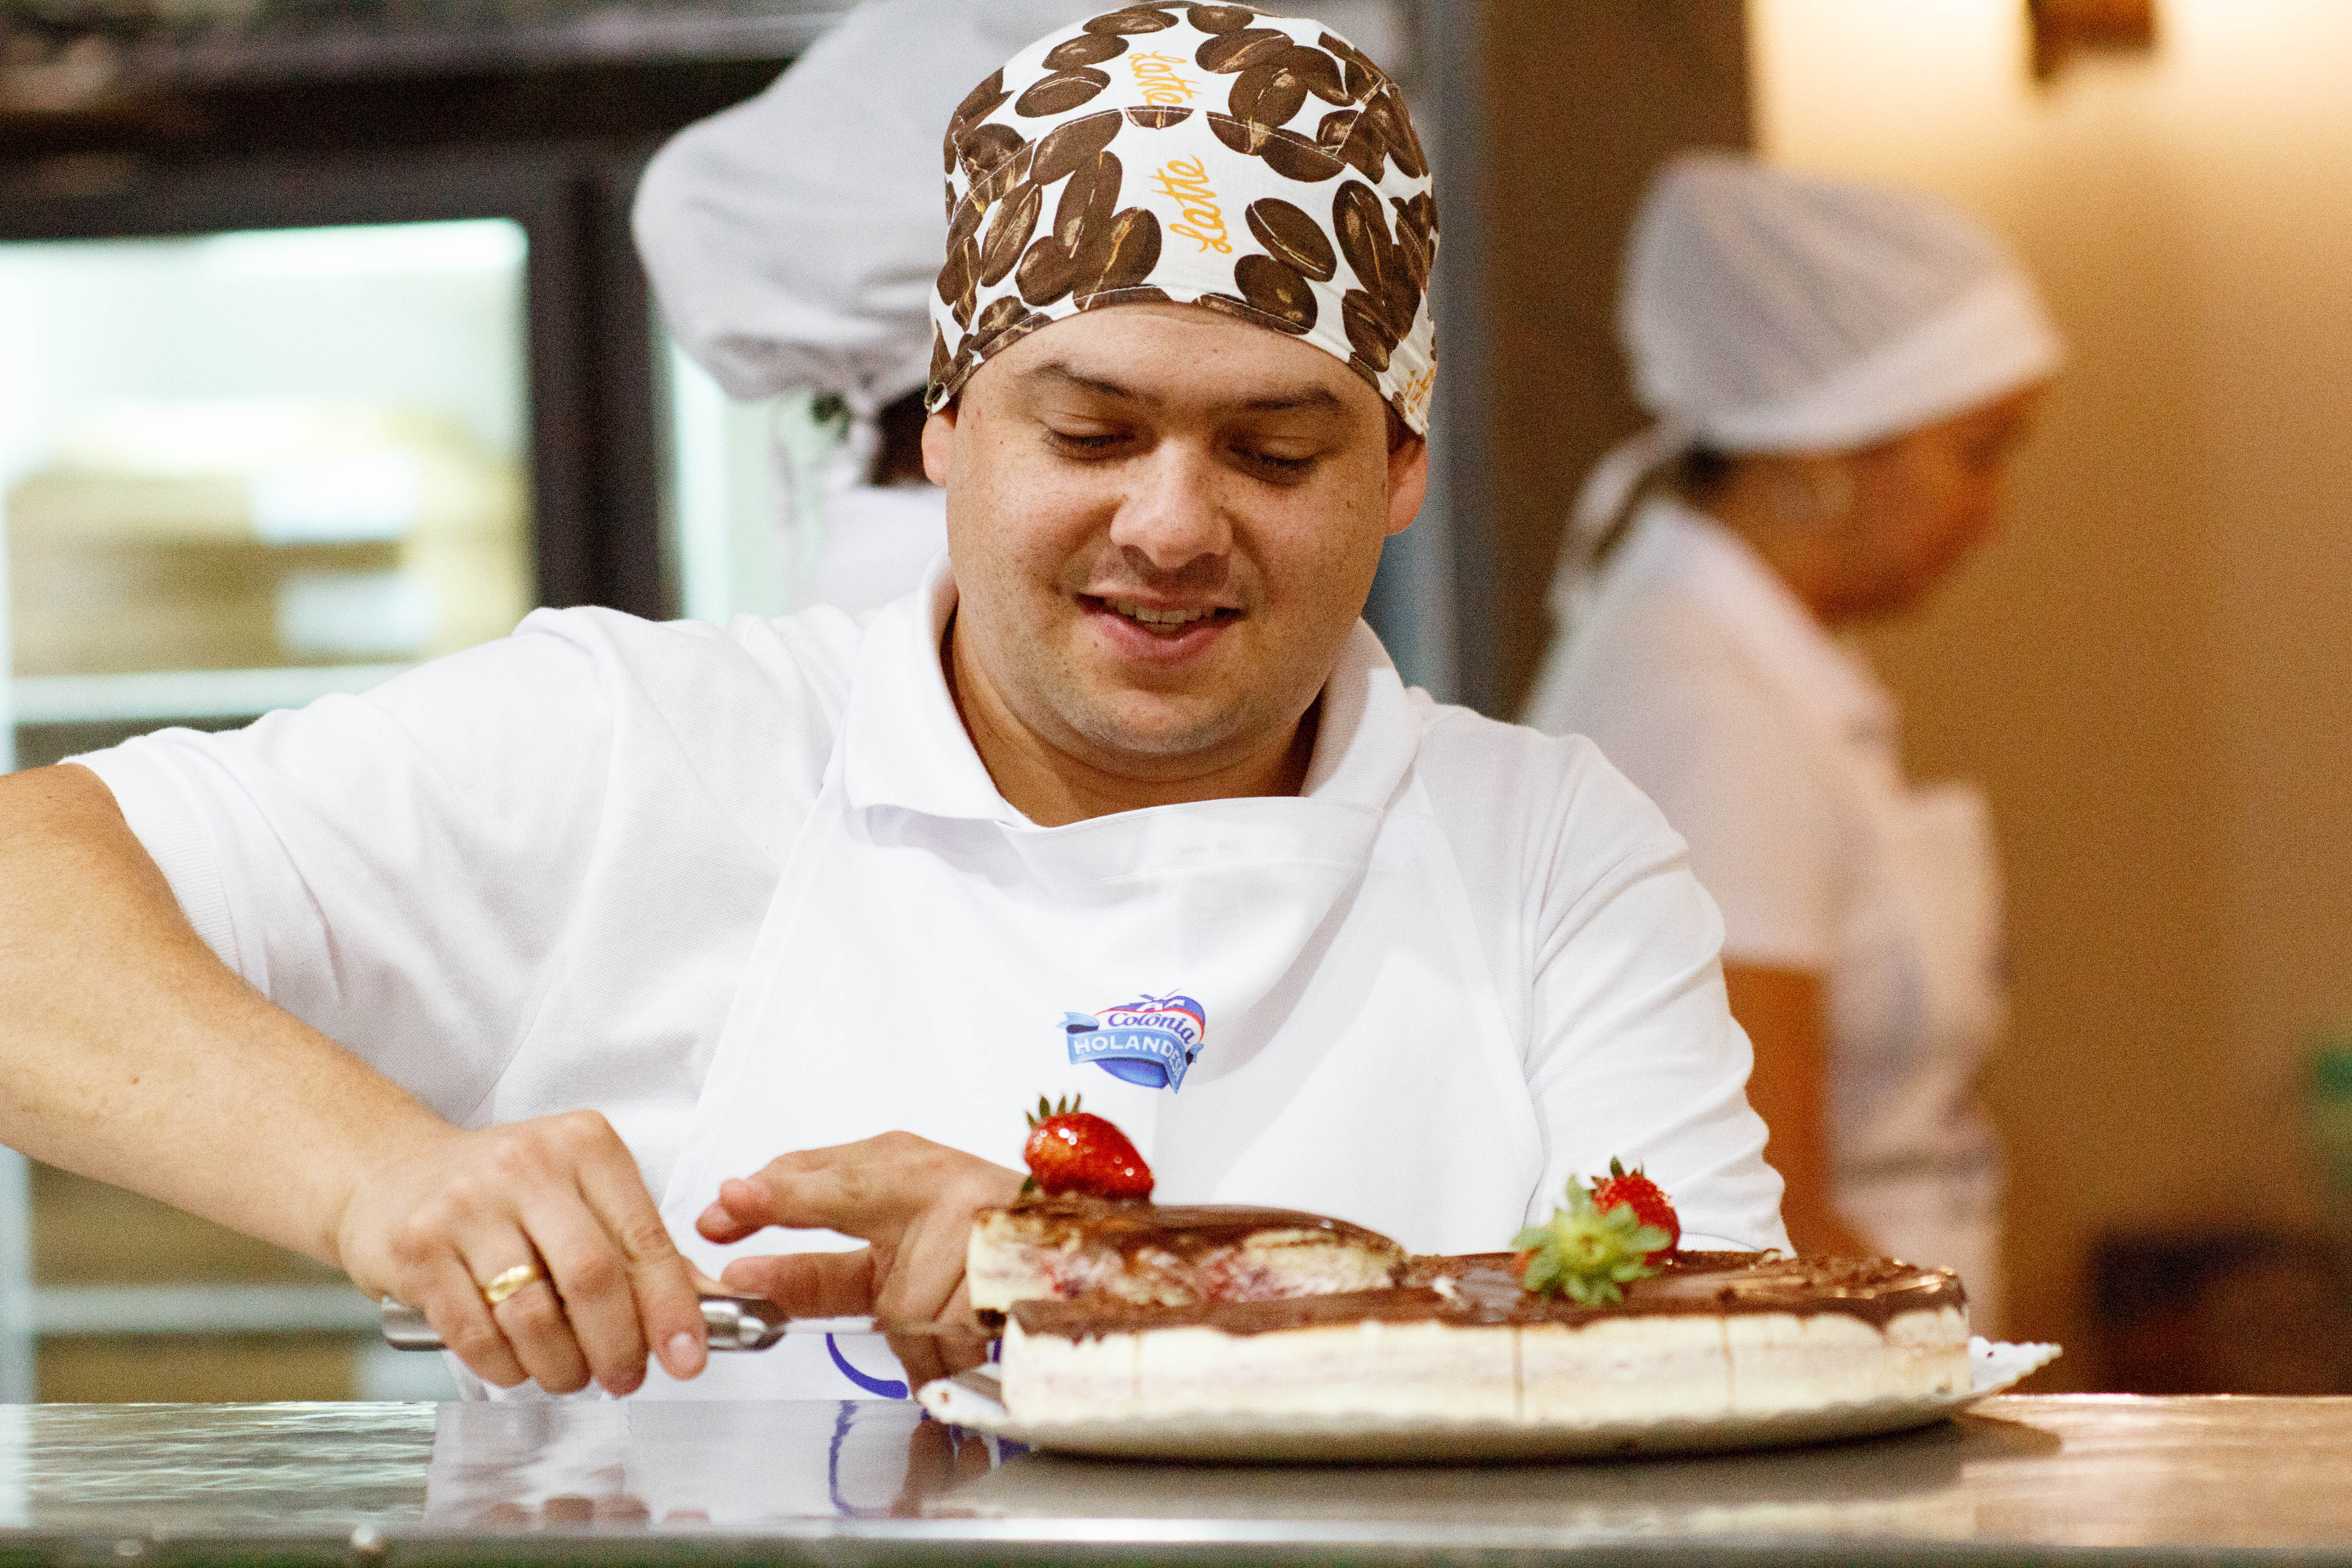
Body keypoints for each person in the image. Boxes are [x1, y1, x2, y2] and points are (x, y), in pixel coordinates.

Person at [0, 12, 1787, 1403]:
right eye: (1088, 433)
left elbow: (1730, 1363)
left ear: (1399, 471)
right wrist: (376, 1179)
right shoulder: (638, 749)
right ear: (944, 427)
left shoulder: (1546, 847)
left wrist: (1116, 1290)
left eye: (1272, 448)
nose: (1170, 525)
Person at [1521, 154, 2063, 1332]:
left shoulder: (1761, 654)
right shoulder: (1702, 703)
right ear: (1823, 454)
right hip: (1844, 1398)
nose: (1991, 512)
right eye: (1978, 451)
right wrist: (1967, 1397)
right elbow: (1750, 1207)